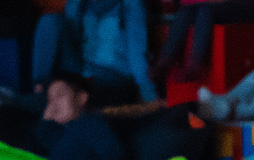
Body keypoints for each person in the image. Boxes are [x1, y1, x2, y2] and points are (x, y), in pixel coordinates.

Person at [0, 71, 126, 160]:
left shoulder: (91, 125)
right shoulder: (53, 134)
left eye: (60, 95)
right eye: (50, 100)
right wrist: (46, 122)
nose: (54, 104)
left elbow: (114, 159)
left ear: (82, 97)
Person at [31, 0, 159, 105]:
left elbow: (137, 50)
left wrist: (147, 91)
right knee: (49, 21)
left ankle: (47, 101)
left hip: (113, 75)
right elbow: (72, 41)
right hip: (82, 69)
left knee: (73, 93)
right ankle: (40, 89)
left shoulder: (131, 4)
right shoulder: (78, 4)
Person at [153, 0, 254, 84]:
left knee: (204, 9)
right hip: (220, 5)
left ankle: (195, 61)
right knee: (185, 11)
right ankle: (165, 58)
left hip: (246, 5)